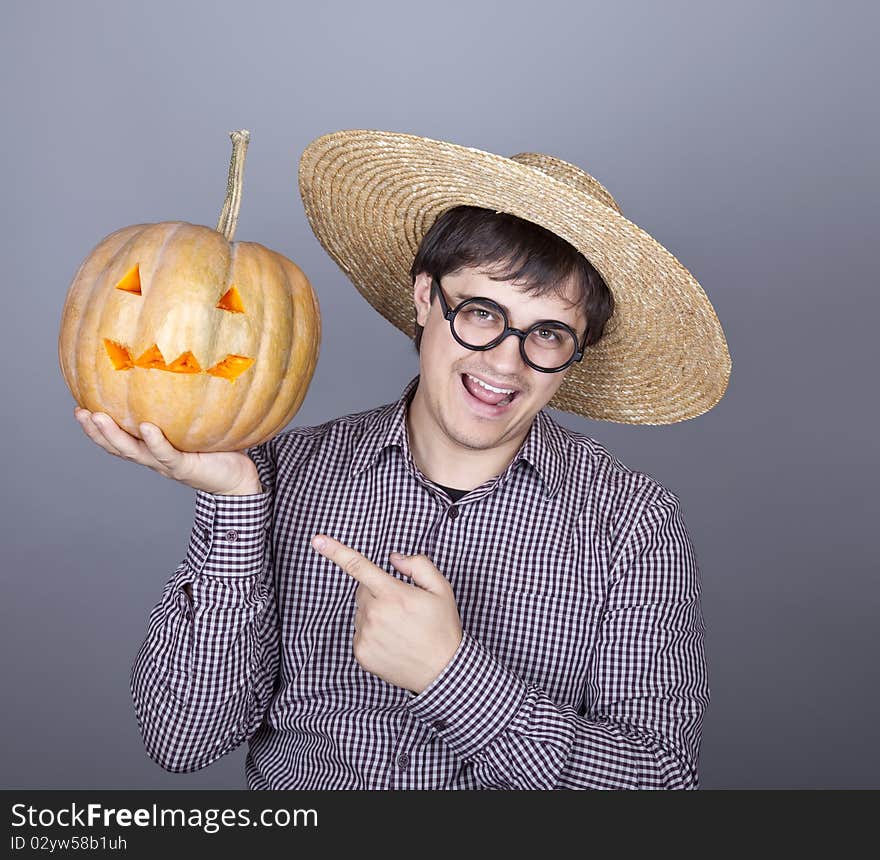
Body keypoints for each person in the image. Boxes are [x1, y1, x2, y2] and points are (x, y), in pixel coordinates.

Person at [73, 130, 730, 789]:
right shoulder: (280, 474)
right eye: (481, 312)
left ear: (574, 353)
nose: (506, 362)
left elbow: (658, 783)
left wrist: (450, 675)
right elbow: (181, 739)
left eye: (549, 333)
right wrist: (237, 507)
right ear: (425, 297)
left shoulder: (635, 524)